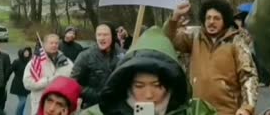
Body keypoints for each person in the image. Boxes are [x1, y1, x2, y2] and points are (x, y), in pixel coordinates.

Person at [80, 26, 217, 115]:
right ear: (127, 85)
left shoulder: (197, 111)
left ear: (171, 84)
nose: (149, 94)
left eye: (157, 85)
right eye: (139, 86)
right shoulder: (98, 113)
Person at [165, 0, 259, 115]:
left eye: (216, 18)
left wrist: (247, 108)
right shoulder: (194, 38)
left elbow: (248, 76)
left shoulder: (236, 42)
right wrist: (174, 19)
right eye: (208, 18)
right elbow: (168, 40)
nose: (211, 22)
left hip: (228, 112)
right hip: (197, 111)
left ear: (225, 20)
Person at [71, 22, 125, 109]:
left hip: (118, 107)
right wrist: (96, 95)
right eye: (99, 35)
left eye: (105, 34)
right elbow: (73, 82)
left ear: (113, 36)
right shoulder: (85, 56)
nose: (101, 38)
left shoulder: (123, 55)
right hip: (93, 107)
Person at [23, 34, 74, 115]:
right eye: (51, 43)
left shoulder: (67, 63)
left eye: (56, 43)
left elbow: (73, 82)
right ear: (44, 44)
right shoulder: (35, 62)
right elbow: (27, 83)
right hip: (40, 106)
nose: (54, 45)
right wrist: (48, 81)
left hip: (59, 108)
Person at [11, 46, 32, 115]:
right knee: (23, 101)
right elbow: (9, 70)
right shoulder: (17, 61)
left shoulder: (30, 62)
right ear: (22, 52)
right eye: (25, 51)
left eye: (28, 51)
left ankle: (20, 113)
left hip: (26, 85)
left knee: (24, 101)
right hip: (18, 84)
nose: (27, 53)